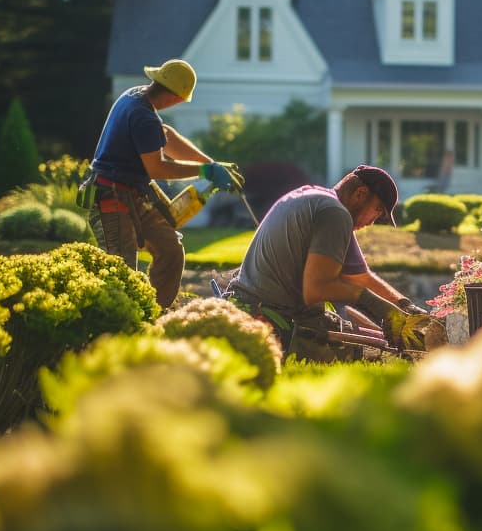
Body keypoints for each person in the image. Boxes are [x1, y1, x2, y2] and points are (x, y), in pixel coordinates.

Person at [84, 59, 244, 309]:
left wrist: (211, 163)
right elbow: (157, 168)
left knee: (170, 251)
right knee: (121, 269)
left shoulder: (136, 97)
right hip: (109, 194)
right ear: (173, 96)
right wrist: (205, 171)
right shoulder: (141, 115)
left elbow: (165, 136)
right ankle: (121, 324)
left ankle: (156, 312)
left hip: (135, 192)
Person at [225, 165, 429, 359]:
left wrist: (407, 307)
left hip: (245, 306)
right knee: (380, 358)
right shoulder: (335, 214)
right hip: (269, 322)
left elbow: (359, 277)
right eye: (377, 210)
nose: (373, 221)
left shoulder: (316, 199)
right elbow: (316, 289)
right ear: (360, 193)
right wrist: (374, 304)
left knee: (364, 341)